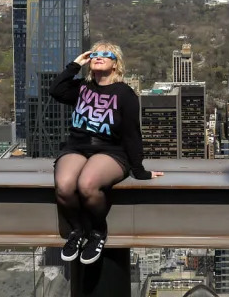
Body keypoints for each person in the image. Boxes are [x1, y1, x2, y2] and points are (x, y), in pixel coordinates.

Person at [51, 42, 163, 264]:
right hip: (77, 147)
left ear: (115, 63)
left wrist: (139, 170)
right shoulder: (82, 87)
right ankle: (77, 231)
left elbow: (132, 134)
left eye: (106, 54)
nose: (99, 57)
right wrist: (75, 64)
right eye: (95, 54)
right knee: (64, 185)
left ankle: (97, 231)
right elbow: (55, 90)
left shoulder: (124, 93)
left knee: (87, 184)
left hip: (111, 151)